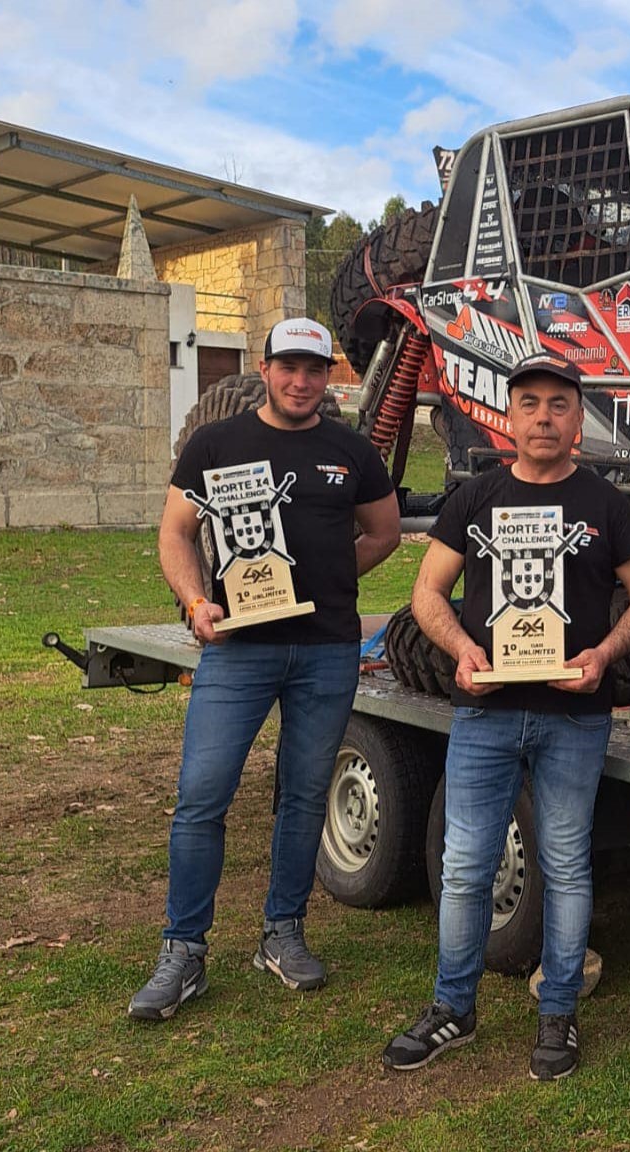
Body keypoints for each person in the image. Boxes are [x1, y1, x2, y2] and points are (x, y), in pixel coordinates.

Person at [382, 351, 630, 1079]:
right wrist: (462, 654)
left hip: (576, 716)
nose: (544, 416)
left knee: (566, 866)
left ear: (577, 419)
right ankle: (453, 1008)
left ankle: (558, 1014)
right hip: (486, 711)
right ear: (510, 416)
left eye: (559, 404)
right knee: (467, 866)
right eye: (530, 403)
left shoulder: (604, 504)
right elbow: (427, 595)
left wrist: (602, 655)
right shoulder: (475, 499)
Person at [128, 318, 400, 1021]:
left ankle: (283, 933)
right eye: (289, 367)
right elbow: (175, 532)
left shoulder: (350, 449)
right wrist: (195, 602)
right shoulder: (216, 442)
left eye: (314, 369)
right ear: (265, 366)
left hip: (325, 650)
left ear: (325, 372)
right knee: (202, 796)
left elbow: (385, 531)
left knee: (304, 796)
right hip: (238, 650)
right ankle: (183, 950)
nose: (302, 381)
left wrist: (335, 576)